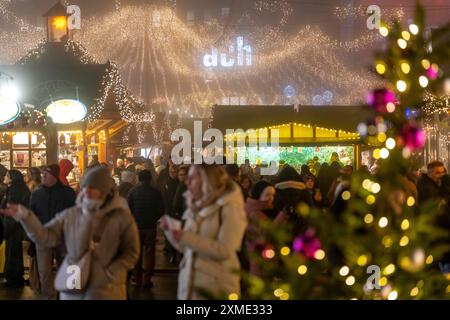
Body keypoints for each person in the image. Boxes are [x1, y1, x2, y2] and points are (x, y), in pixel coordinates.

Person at [0, 167, 140, 300]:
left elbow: (131, 251)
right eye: (85, 187)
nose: (86, 191)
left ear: (104, 190)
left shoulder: (121, 218)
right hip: (74, 283)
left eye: (92, 187)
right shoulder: (71, 215)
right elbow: (46, 236)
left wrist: (112, 271)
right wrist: (26, 217)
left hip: (107, 290)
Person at [161, 164, 247, 300]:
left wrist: (184, 236)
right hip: (190, 286)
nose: (187, 181)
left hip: (216, 287)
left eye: (193, 178)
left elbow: (224, 250)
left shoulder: (229, 208)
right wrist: (171, 233)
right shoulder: (194, 208)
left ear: (208, 181)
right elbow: (187, 248)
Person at [28, 164, 76, 299]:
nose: (42, 177)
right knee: (44, 271)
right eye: (42, 174)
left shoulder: (67, 193)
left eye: (46, 175)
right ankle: (48, 296)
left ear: (54, 176)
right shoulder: (37, 193)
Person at [127, 170, 164, 288]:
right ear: (150, 179)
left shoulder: (132, 191)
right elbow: (161, 209)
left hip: (136, 226)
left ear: (139, 178)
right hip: (150, 227)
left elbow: (129, 209)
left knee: (137, 254)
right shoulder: (156, 192)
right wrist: (154, 218)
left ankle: (136, 278)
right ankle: (147, 279)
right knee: (149, 253)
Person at [0, 170, 30, 287]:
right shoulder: (17, 188)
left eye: (7, 176)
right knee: (14, 251)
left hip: (13, 226)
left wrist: (6, 230)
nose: (4, 177)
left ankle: (12, 278)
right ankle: (15, 276)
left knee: (12, 251)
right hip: (15, 225)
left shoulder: (14, 190)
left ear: (12, 178)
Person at [244, 181, 276, 275]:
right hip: (258, 261)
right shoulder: (255, 213)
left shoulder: (256, 209)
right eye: (267, 195)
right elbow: (268, 234)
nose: (271, 198)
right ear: (258, 195)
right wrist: (282, 216)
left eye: (273, 195)